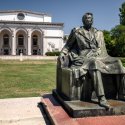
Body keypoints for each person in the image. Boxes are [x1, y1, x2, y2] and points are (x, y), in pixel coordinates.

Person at [60, 12, 125, 109]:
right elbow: (68, 46)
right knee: (94, 63)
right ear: (83, 20)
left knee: (118, 63)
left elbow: (101, 48)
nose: (90, 20)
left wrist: (97, 53)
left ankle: (122, 94)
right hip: (84, 57)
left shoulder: (98, 32)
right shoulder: (77, 32)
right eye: (87, 18)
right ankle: (102, 98)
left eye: (91, 18)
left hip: (100, 55)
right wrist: (62, 53)